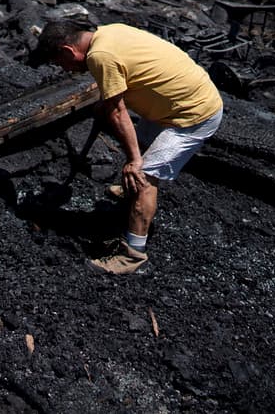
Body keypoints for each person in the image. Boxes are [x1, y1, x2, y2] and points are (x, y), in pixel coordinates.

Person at [30, 20, 223, 274]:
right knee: (139, 148)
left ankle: (133, 255)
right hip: (176, 101)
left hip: (192, 115)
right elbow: (119, 83)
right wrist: (106, 107)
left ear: (68, 50)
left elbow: (118, 112)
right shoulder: (108, 32)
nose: (65, 69)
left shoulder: (100, 56)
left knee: (143, 177)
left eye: (61, 63)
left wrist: (134, 161)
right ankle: (130, 196)